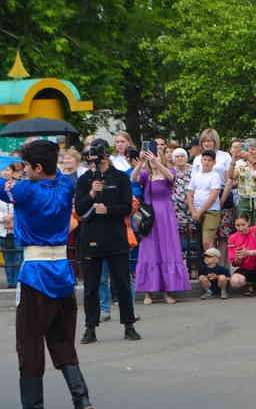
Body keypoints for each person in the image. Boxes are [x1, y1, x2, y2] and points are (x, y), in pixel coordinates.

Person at [2, 140, 95, 409]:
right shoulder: (67, 184)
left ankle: (33, 405)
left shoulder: (25, 190)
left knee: (29, 345)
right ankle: (82, 399)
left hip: (35, 273)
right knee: (62, 339)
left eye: (28, 166)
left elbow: (4, 187)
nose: (25, 170)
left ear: (38, 167)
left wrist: (11, 178)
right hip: (62, 271)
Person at [75, 139, 141, 344]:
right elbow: (79, 208)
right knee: (92, 286)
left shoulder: (120, 178)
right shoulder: (85, 180)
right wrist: (92, 193)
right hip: (91, 237)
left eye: (98, 156)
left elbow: (127, 207)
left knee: (121, 282)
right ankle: (90, 328)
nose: (94, 162)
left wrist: (109, 210)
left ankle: (129, 325)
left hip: (115, 237)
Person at [133, 149, 191, 305]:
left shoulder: (169, 170)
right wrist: (141, 162)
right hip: (150, 216)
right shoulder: (147, 175)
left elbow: (171, 178)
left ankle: (168, 292)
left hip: (165, 214)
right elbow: (133, 177)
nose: (153, 157)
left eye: (156, 154)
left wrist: (156, 162)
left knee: (167, 250)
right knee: (149, 251)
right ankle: (147, 293)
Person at [229, 138, 256, 233]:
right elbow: (231, 176)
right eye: (247, 149)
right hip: (244, 202)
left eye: (253, 149)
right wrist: (233, 160)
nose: (250, 151)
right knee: (243, 231)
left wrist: (252, 161)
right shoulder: (240, 164)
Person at [228, 213, 256, 297]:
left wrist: (249, 253)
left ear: (249, 222)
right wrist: (238, 258)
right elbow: (234, 263)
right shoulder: (232, 238)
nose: (240, 228)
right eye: (237, 225)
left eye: (243, 225)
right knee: (234, 282)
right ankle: (251, 284)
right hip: (246, 268)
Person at [188, 150, 224, 251]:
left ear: (214, 162)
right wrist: (193, 211)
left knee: (207, 242)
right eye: (204, 159)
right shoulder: (196, 175)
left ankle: (212, 266)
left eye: (209, 160)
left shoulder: (215, 176)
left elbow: (213, 197)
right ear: (201, 160)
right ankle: (202, 265)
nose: (207, 162)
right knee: (198, 243)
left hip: (211, 212)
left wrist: (199, 212)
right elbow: (189, 194)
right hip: (196, 212)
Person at [1, 162, 23, 288]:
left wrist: (12, 217)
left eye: (8, 169)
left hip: (17, 227)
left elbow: (21, 203)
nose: (5, 172)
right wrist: (4, 217)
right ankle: (11, 282)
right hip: (2, 228)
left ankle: (19, 281)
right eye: (3, 169)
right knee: (7, 256)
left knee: (18, 256)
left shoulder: (18, 185)